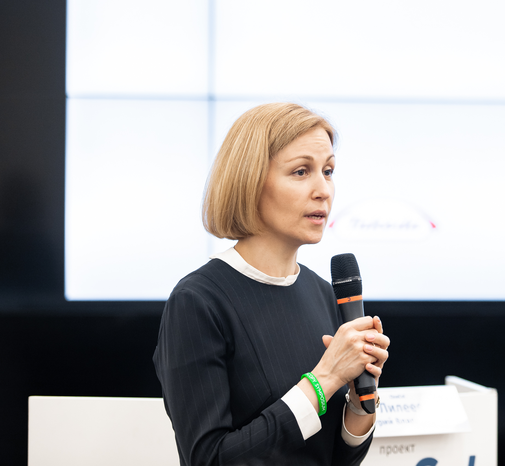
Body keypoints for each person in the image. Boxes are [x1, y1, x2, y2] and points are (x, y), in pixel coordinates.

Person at [153, 102, 390, 466]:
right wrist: (323, 380)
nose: (323, 190)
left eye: (328, 171)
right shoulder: (198, 302)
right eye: (301, 171)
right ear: (249, 182)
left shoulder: (323, 294)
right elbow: (208, 460)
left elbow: (333, 459)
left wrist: (358, 408)